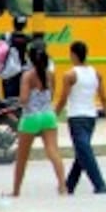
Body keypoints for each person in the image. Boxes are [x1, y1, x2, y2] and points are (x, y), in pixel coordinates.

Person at [54, 41, 106, 194]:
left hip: (76, 117)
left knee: (84, 150)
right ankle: (69, 185)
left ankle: (99, 184)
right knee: (82, 151)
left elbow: (63, 99)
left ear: (73, 55)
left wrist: (53, 115)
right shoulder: (95, 73)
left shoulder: (70, 75)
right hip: (91, 117)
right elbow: (104, 99)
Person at [11, 42, 67, 197]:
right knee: (53, 152)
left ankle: (16, 190)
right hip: (48, 116)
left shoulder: (27, 75)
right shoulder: (50, 74)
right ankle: (62, 185)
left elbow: (24, 99)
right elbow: (52, 93)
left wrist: (17, 102)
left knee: (22, 157)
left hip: (31, 118)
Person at [0, 16, 30, 101]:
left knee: (8, 98)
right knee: (19, 96)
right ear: (25, 25)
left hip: (7, 70)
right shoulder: (27, 38)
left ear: (13, 24)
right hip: (22, 71)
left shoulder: (5, 37)